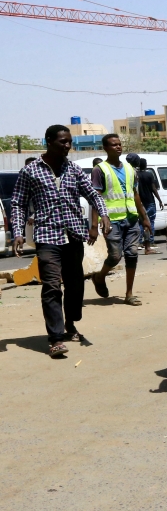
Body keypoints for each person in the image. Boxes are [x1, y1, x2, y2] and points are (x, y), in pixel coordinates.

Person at [10, 125, 110, 358]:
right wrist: (17, 232)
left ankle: (71, 323)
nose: (68, 146)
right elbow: (18, 203)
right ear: (49, 141)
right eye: (63, 142)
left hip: (73, 235)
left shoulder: (73, 169)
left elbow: (93, 193)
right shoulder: (31, 171)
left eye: (69, 142)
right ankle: (55, 338)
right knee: (52, 286)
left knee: (75, 286)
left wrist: (103, 213)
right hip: (47, 236)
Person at [89, 134, 151, 305]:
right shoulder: (100, 169)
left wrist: (144, 217)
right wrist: (94, 225)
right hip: (112, 221)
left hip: (131, 219)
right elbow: (95, 198)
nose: (118, 147)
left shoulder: (130, 169)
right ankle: (99, 277)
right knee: (115, 256)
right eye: (114, 145)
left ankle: (129, 294)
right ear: (106, 148)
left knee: (132, 254)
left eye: (119, 144)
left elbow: (135, 194)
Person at [136, 158, 162, 254]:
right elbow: (153, 188)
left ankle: (139, 241)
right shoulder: (149, 175)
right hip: (150, 201)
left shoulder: (136, 175)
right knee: (150, 222)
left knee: (140, 222)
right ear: (145, 165)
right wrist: (159, 200)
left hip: (139, 203)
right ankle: (150, 241)